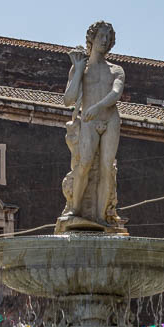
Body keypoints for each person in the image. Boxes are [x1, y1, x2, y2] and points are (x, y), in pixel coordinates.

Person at [57, 20, 125, 232]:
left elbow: (116, 94)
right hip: (88, 121)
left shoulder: (117, 70)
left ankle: (102, 216)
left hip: (109, 119)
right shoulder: (81, 68)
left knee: (106, 168)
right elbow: (68, 100)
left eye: (108, 38)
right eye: (101, 37)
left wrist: (97, 107)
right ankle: (75, 210)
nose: (104, 41)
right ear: (92, 39)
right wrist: (77, 70)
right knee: (84, 164)